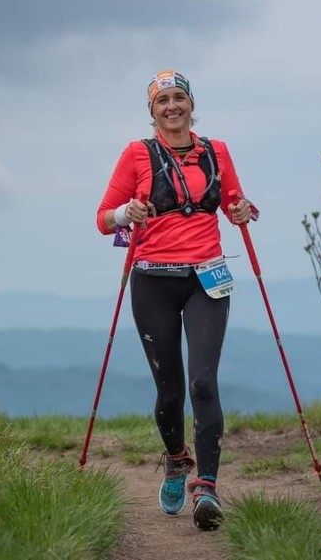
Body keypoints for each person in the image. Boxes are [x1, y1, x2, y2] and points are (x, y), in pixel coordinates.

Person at [95, 70, 255, 531]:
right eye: (162, 99)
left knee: (203, 383)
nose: (172, 106)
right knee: (169, 390)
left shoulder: (216, 150)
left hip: (207, 277)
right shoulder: (136, 154)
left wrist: (243, 210)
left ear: (191, 104)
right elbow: (103, 219)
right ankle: (174, 458)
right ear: (152, 111)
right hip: (152, 279)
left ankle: (206, 487)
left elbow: (235, 202)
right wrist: (128, 212)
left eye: (179, 97)